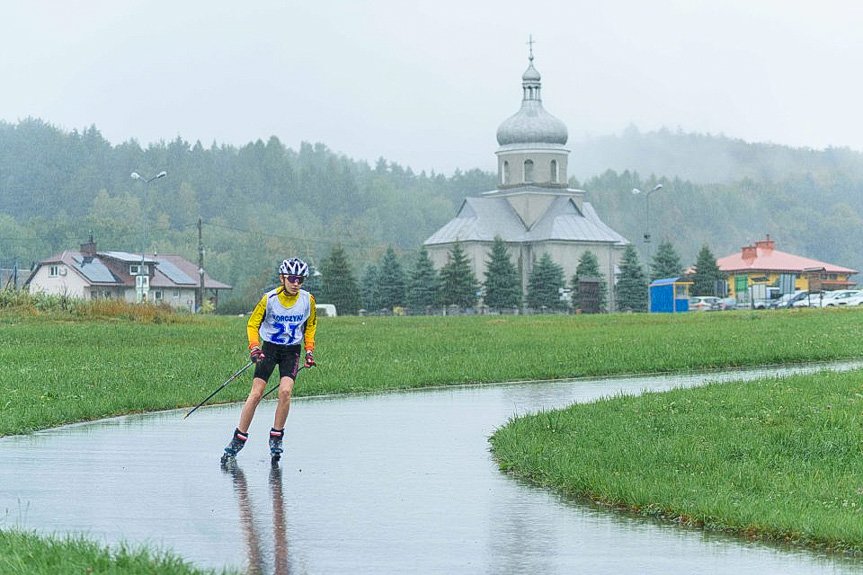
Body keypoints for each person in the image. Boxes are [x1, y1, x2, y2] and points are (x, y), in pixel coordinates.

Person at [221, 257, 317, 465]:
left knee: (285, 391)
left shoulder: (307, 300)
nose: (296, 283)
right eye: (292, 278)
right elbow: (252, 324)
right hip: (270, 349)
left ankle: (276, 436)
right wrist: (254, 347)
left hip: (291, 351)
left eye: (300, 279)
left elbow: (310, 327)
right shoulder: (270, 299)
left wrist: (309, 351)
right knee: (256, 393)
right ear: (282, 278)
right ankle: (238, 438)